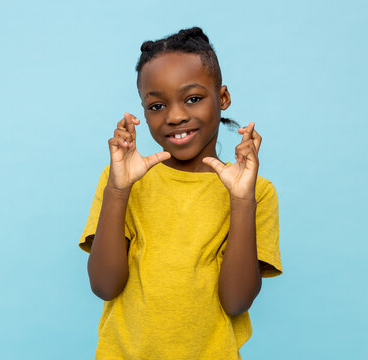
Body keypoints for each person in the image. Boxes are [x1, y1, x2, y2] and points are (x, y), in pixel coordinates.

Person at [79, 27, 282, 360]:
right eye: (157, 105)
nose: (175, 116)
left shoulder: (256, 191)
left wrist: (241, 200)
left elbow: (236, 301)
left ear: (223, 97)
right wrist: (118, 189)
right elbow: (104, 286)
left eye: (193, 98)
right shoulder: (122, 180)